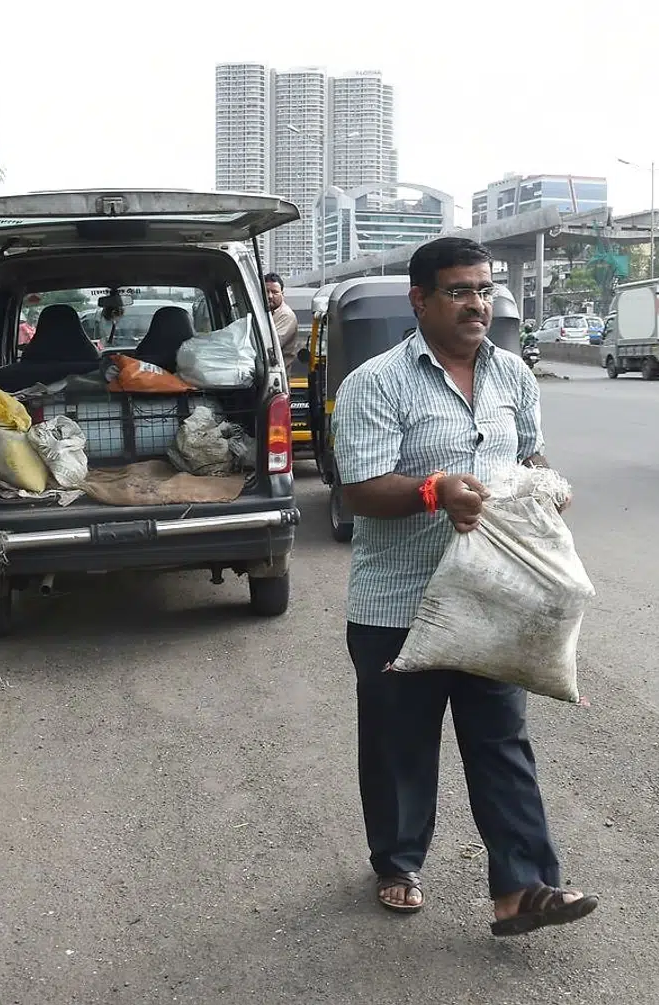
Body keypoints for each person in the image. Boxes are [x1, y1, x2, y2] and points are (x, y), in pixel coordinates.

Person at [330, 236, 599, 937]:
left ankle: (521, 888)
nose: (476, 302)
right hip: (399, 602)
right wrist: (434, 489)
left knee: (501, 738)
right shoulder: (375, 384)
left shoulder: (513, 375)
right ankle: (397, 862)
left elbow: (529, 449)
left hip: (491, 596)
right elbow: (360, 488)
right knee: (401, 746)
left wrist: (545, 485)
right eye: (459, 290)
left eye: (484, 290)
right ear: (420, 300)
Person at [264, 272, 299, 362]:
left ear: (282, 294)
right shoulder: (264, 312)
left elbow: (270, 345)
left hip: (276, 373)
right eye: (266, 291)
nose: (270, 296)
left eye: (275, 292)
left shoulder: (286, 315)